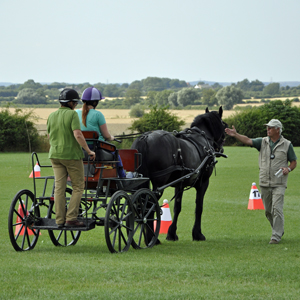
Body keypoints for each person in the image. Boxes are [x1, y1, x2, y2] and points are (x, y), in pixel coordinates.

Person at [225, 119, 297, 244]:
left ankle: (276, 236)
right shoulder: (262, 142)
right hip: (264, 182)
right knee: (268, 211)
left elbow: (294, 162)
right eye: (267, 127)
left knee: (277, 208)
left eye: (270, 127)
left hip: (279, 183)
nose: (267, 129)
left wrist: (288, 169)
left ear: (278, 129)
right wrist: (236, 135)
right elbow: (247, 140)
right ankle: (278, 229)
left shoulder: (287, 144)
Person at [47, 88, 95, 228]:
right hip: (71, 156)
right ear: (70, 103)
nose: (75, 105)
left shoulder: (51, 115)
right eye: (74, 102)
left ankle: (59, 219)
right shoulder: (72, 115)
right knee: (78, 186)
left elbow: (50, 136)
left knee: (59, 188)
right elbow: (78, 134)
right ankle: (71, 218)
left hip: (55, 155)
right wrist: (88, 150)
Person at [76, 86, 126, 177]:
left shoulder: (75, 113)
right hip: (97, 149)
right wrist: (112, 138)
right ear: (95, 102)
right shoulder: (98, 115)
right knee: (115, 152)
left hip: (80, 148)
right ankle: (123, 176)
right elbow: (106, 136)